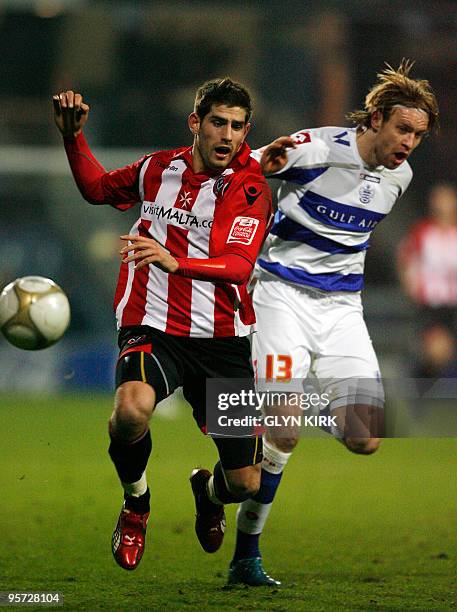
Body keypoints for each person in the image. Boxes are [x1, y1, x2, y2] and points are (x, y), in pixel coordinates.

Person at [226, 60, 439, 586]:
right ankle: (245, 557)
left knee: (365, 438)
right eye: (403, 129)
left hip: (342, 309)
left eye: (418, 134)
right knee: (284, 430)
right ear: (375, 118)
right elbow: (237, 173)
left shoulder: (401, 177)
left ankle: (215, 485)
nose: (409, 142)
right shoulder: (315, 149)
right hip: (280, 297)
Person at [52, 78, 275, 577]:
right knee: (132, 411)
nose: (228, 136)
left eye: (238, 127)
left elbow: (239, 267)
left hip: (223, 340)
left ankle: (206, 491)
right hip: (154, 324)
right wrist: (73, 138)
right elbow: (96, 189)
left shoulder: (252, 187)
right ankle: (136, 504)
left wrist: (175, 261)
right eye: (219, 122)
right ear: (195, 123)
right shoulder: (157, 169)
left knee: (244, 484)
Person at [397, 182, 457, 332]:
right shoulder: (421, 231)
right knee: (435, 346)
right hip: (429, 301)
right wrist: (411, 287)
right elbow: (405, 258)